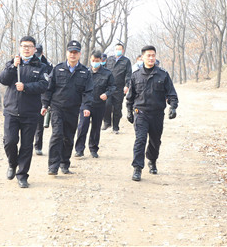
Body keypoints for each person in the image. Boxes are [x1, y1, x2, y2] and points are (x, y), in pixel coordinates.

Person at [0, 36, 50, 188]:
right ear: (19, 48)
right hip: (11, 111)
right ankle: (12, 164)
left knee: (27, 145)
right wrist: (13, 67)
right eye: (23, 46)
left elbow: (43, 85)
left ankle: (22, 175)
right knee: (10, 141)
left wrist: (26, 87)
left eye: (29, 46)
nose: (26, 48)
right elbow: (3, 79)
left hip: (30, 112)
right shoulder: (12, 63)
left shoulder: (42, 66)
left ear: (34, 49)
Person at [126, 45, 178, 182]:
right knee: (140, 140)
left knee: (155, 141)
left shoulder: (163, 75)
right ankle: (137, 168)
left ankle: (152, 160)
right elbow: (130, 96)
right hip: (141, 113)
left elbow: (171, 93)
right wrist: (129, 111)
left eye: (153, 55)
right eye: (148, 55)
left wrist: (173, 107)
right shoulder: (135, 76)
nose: (151, 58)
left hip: (157, 114)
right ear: (142, 57)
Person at [41, 40, 93, 175]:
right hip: (57, 107)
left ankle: (64, 163)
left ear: (80, 54)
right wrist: (45, 104)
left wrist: (86, 106)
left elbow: (88, 92)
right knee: (57, 135)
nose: (73, 55)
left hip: (73, 109)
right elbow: (49, 88)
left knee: (68, 137)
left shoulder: (85, 72)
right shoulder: (58, 69)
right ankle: (53, 166)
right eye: (71, 52)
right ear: (67, 53)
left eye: (76, 52)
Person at [74, 50, 115, 158]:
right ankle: (79, 149)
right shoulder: (85, 72)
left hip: (99, 104)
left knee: (96, 128)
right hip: (86, 104)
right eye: (93, 60)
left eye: (97, 61)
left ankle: (93, 149)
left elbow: (112, 87)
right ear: (90, 60)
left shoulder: (107, 73)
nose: (95, 63)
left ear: (101, 61)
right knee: (82, 126)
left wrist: (107, 94)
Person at [102, 43, 132, 134]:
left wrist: (127, 85)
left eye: (119, 49)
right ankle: (107, 122)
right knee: (107, 105)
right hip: (109, 87)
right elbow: (105, 71)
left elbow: (128, 74)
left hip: (120, 88)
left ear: (122, 51)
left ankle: (115, 127)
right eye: (116, 49)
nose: (117, 51)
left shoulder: (126, 61)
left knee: (117, 108)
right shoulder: (109, 59)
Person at [33, 44, 53, 156]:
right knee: (28, 124)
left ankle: (38, 146)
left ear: (42, 53)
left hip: (42, 97)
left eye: (38, 54)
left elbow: (50, 83)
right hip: (30, 96)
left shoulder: (48, 66)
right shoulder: (28, 63)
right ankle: (26, 146)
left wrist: (48, 101)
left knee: (40, 123)